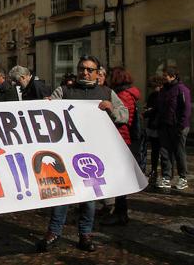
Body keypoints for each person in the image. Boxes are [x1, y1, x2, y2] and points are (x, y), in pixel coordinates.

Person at [36, 55, 128, 254]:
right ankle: (54, 232)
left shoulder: (106, 92)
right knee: (62, 193)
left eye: (89, 69)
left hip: (93, 155)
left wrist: (112, 108)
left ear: (97, 73)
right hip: (66, 153)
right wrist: (46, 104)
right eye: (81, 68)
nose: (84, 72)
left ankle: (85, 234)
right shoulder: (65, 90)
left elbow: (124, 115)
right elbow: (47, 110)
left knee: (89, 197)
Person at [101, 67, 141, 226]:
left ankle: (120, 213)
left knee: (118, 179)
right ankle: (118, 211)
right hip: (123, 138)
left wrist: (110, 108)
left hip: (121, 138)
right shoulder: (128, 93)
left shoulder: (123, 95)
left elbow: (123, 118)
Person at [155, 65, 191, 190]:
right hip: (165, 126)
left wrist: (181, 126)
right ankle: (166, 177)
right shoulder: (163, 90)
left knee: (179, 152)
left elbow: (186, 110)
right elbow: (159, 107)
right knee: (165, 152)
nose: (163, 78)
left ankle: (183, 178)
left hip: (178, 127)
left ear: (173, 76)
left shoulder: (182, 89)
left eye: (165, 76)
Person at [144, 75, 163, 185]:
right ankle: (154, 170)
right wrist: (148, 110)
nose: (154, 89)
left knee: (163, 151)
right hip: (153, 125)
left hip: (160, 125)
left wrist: (149, 111)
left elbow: (156, 109)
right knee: (155, 150)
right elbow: (148, 107)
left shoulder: (161, 95)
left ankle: (163, 173)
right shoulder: (153, 95)